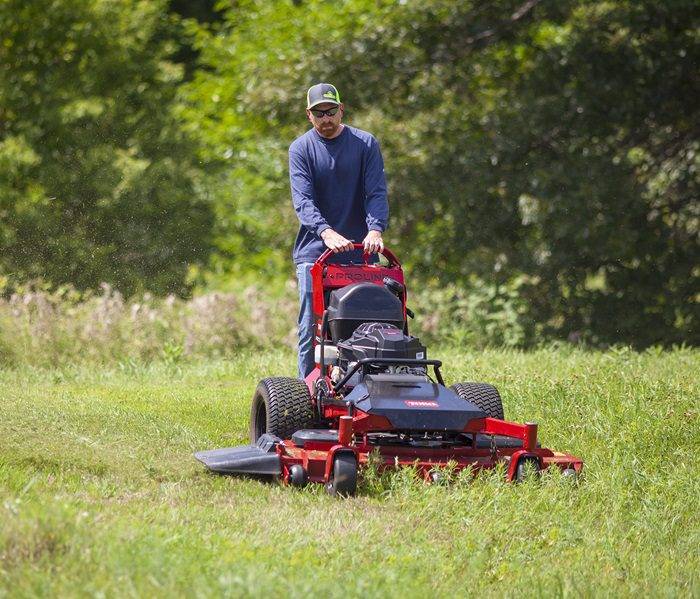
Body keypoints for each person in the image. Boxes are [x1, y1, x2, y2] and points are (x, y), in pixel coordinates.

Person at [289, 83, 389, 379]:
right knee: (312, 326)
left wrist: (375, 230)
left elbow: (376, 192)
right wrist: (325, 232)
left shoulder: (365, 143)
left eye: (331, 111)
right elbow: (303, 200)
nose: (326, 119)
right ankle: (307, 395)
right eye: (319, 113)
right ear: (309, 115)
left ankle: (364, 387)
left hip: (360, 251)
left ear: (341, 109)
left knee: (367, 324)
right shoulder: (301, 149)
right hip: (315, 252)